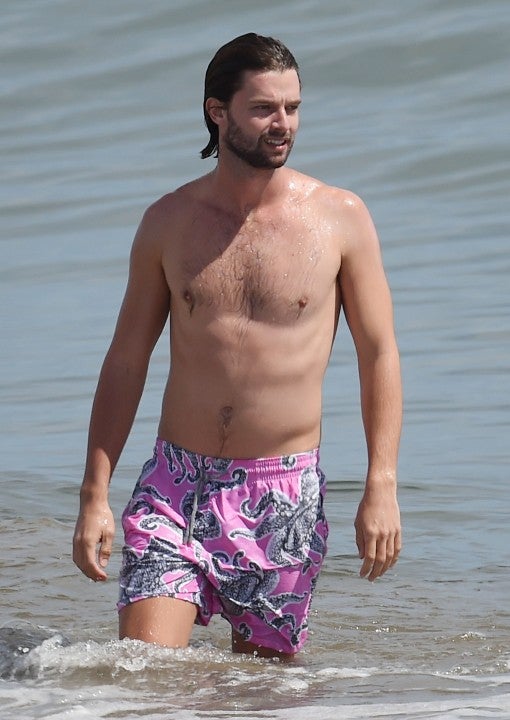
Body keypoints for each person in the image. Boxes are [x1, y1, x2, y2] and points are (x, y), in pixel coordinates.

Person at [73, 33, 402, 659]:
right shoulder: (168, 222)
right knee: (145, 676)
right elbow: (126, 359)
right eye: (264, 109)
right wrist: (95, 495)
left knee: (262, 694)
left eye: (293, 108)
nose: (284, 124)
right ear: (217, 112)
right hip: (176, 486)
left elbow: (378, 353)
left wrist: (380, 483)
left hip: (283, 493)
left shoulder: (340, 218)